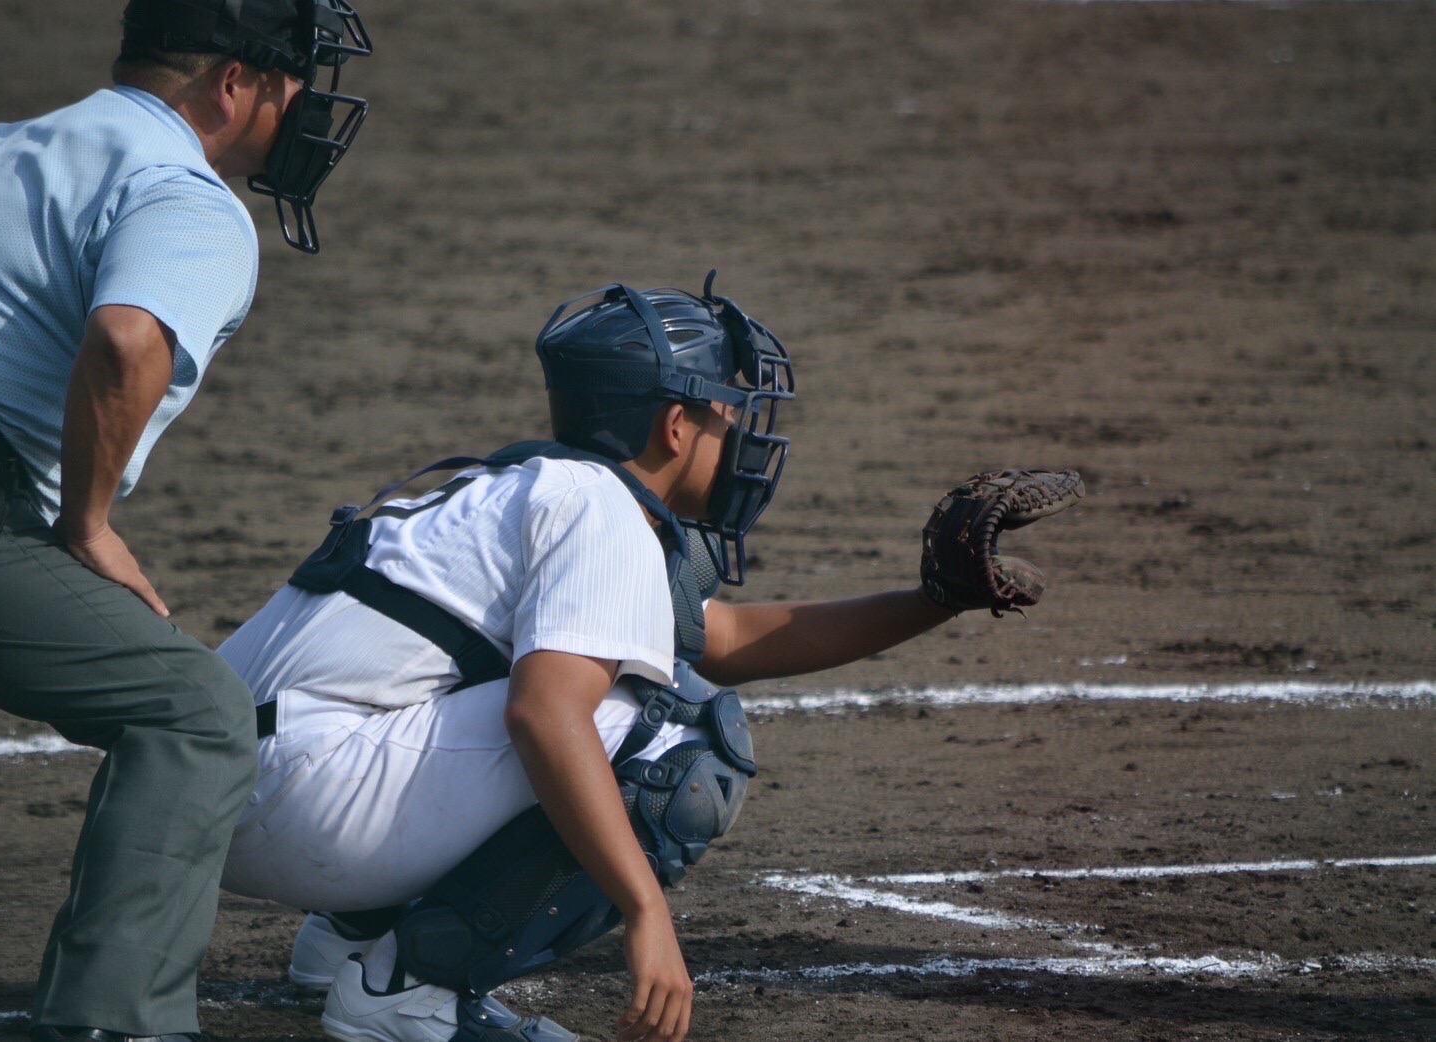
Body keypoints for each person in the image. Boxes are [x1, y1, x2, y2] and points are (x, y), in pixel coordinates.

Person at [214, 274, 1065, 1042]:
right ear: (673, 424)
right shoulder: (600, 512)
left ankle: (354, 941)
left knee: (635, 683)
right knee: (674, 730)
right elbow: (543, 713)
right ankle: (406, 993)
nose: (741, 431)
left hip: (222, 800)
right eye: (726, 412)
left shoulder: (528, 485)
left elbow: (724, 639)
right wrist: (643, 910)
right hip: (310, 806)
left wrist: (934, 601)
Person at [0, 3, 372, 1041]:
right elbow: (129, 338)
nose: (304, 110)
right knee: (191, 710)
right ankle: (113, 1020)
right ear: (234, 83)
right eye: (290, 86)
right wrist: (89, 523)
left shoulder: (7, 151)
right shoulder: (186, 196)